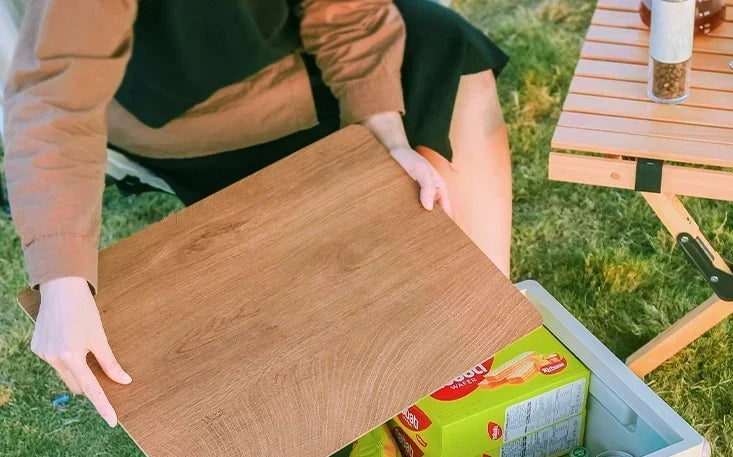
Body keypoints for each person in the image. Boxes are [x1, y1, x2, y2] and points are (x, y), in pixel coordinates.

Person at [4, 0, 513, 427]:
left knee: (443, 40)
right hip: (186, 117)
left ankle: (486, 337)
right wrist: (64, 284)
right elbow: (57, 101)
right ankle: (445, 349)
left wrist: (385, 137)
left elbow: (345, 12)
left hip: (292, 59)